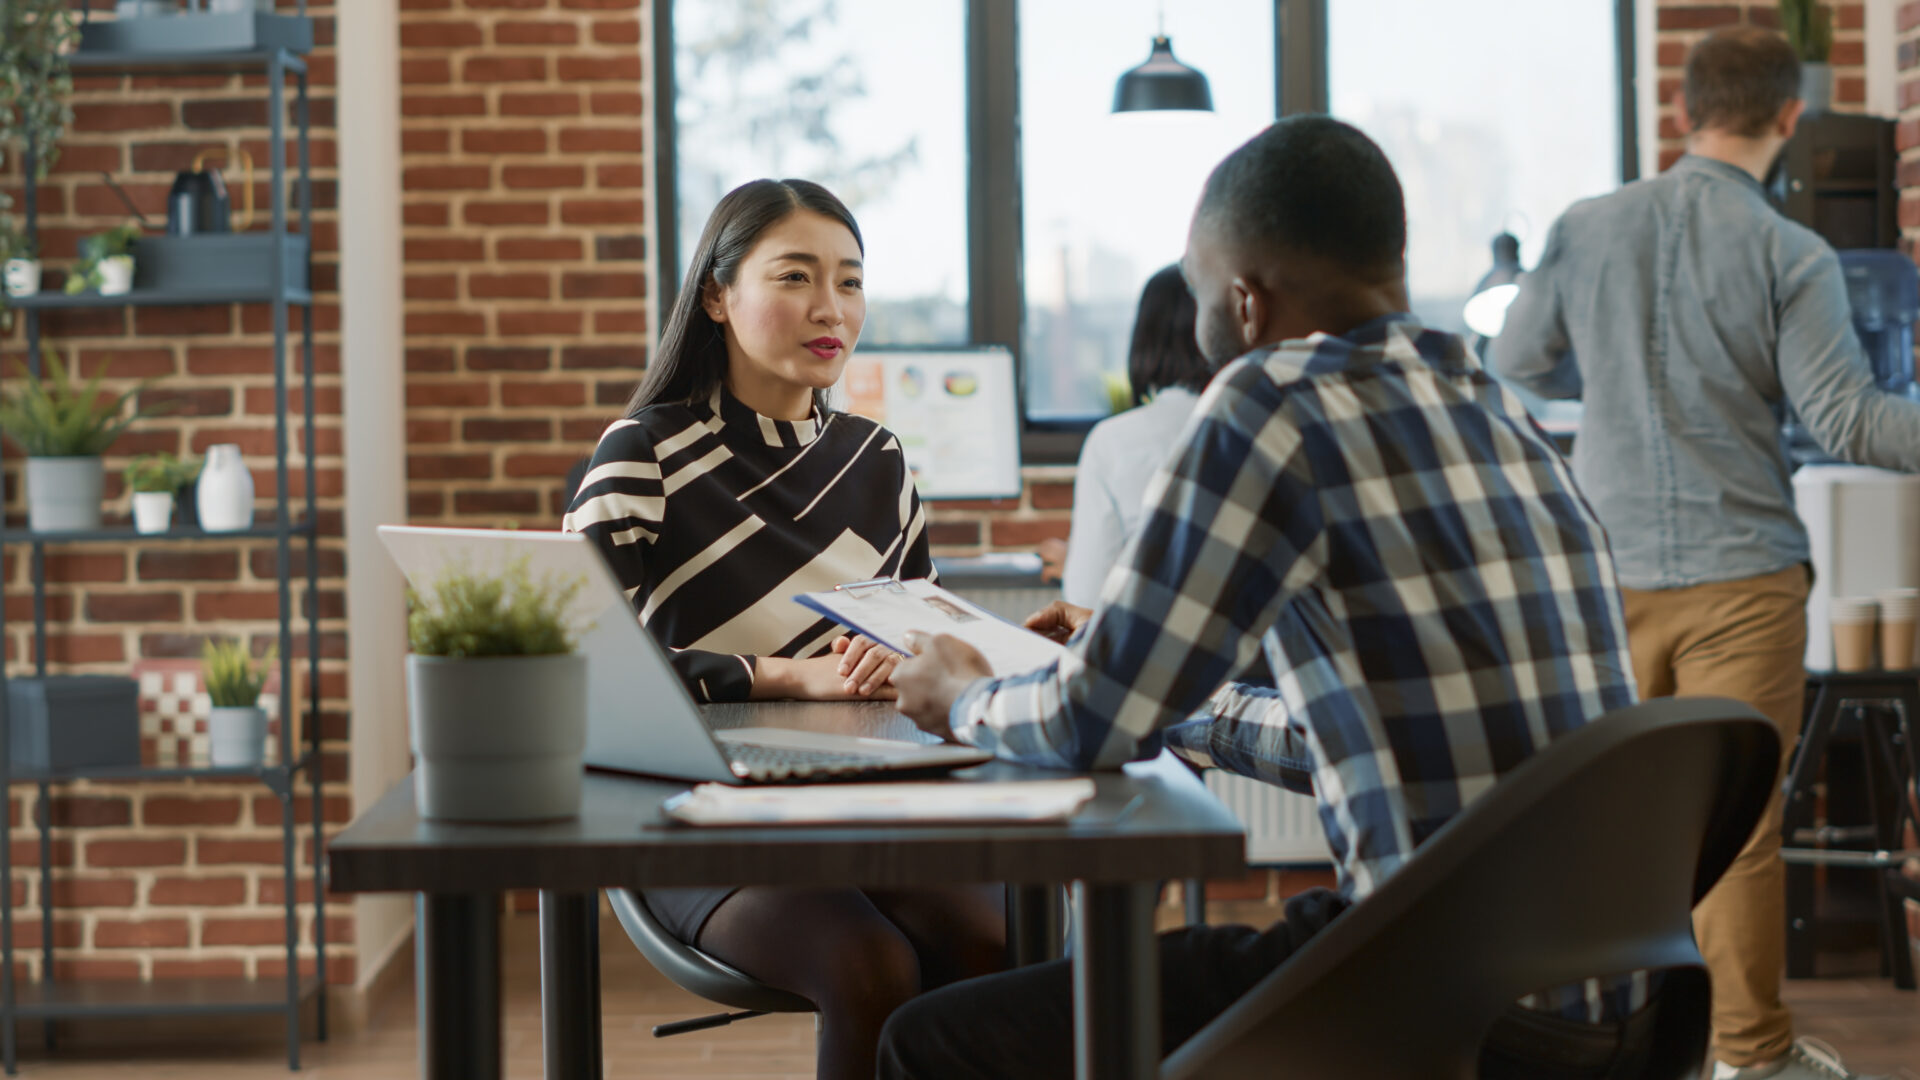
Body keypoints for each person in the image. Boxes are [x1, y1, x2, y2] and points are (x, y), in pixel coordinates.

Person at [881, 116, 1649, 1079]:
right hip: (1618, 998)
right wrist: (1171, 702)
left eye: (1199, 289)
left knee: (933, 1040)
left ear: (1243, 301)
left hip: (1432, 995)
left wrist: (962, 695)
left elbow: (1089, 725)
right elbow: (1390, 734)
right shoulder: (1499, 412)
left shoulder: (1266, 403)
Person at [1491, 28, 1920, 1080]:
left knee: (1604, 820)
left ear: (1683, 114)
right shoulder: (1791, 253)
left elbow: (1511, 361)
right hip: (1744, 578)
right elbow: (1854, 423)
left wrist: (1616, 397)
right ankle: (1749, 1058)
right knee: (1736, 828)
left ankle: (1595, 1044)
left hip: (1607, 577)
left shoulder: (1585, 228)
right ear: (1790, 118)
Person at [562, 178, 1004, 1080]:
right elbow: (581, 671)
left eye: (849, 281)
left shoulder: (877, 460)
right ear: (718, 297)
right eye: (796, 277)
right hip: (697, 812)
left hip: (869, 795)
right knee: (867, 965)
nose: (829, 307)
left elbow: (915, 634)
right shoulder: (642, 454)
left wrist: (914, 660)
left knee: (1000, 940)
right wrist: (780, 676)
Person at [1059, 264, 1213, 608]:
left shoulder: (1113, 442)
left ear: (1145, 336)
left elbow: (1085, 597)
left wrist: (1074, 560)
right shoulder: (1258, 424)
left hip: (1147, 650)